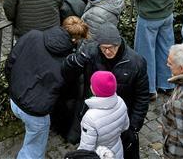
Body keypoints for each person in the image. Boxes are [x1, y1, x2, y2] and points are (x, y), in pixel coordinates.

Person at [63, 24, 150, 159]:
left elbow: (142, 97)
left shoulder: (136, 62)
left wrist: (134, 127)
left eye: (111, 47)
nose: (108, 51)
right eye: (104, 48)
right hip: (95, 116)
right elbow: (67, 75)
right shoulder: (90, 52)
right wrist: (75, 61)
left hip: (120, 118)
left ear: (119, 43)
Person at [6, 24, 77, 159]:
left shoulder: (33, 35)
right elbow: (66, 94)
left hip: (15, 98)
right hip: (36, 112)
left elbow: (11, 60)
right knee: (33, 151)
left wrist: (13, 85)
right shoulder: (67, 64)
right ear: (74, 40)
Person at [128, 0, 180, 96]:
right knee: (165, 50)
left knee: (146, 54)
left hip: (149, 19)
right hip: (166, 16)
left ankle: (149, 89)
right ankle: (167, 84)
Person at [78, 71, 129, 159]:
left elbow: (86, 149)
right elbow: (125, 127)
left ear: (95, 90)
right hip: (117, 150)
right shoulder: (121, 102)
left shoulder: (90, 117)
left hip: (100, 155)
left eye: (92, 84)